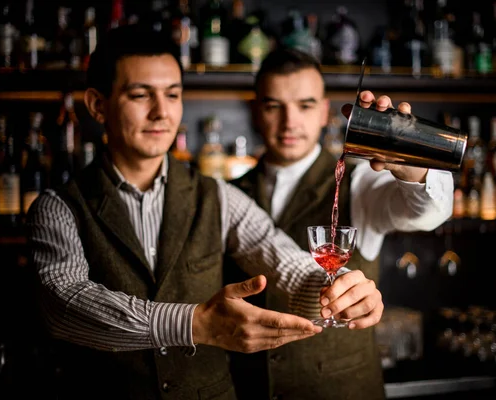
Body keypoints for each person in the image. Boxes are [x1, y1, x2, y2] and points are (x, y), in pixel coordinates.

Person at [24, 25, 384, 400]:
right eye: (140, 95)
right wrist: (195, 325)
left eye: (173, 94)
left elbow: (282, 261)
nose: (161, 112)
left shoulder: (218, 196)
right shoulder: (57, 207)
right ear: (98, 105)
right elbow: (64, 303)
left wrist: (340, 289)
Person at [226, 48, 454, 400]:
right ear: (256, 111)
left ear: (323, 112)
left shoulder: (360, 183)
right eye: (274, 106)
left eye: (304, 105)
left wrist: (410, 164)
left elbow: (426, 212)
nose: (289, 122)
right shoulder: (227, 194)